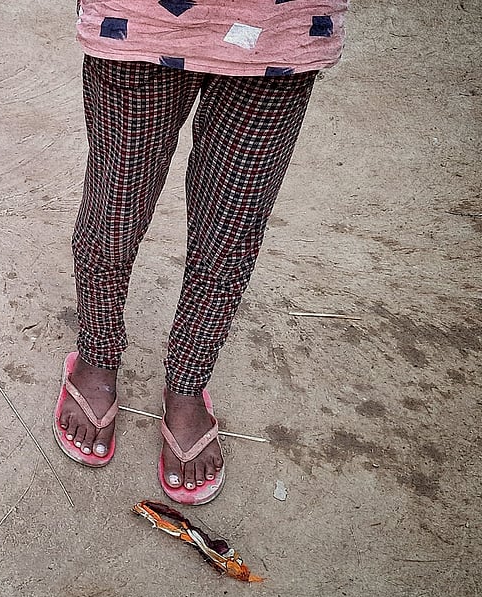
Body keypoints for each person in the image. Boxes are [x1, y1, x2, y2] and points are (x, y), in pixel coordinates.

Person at [53, 1, 348, 504]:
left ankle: (188, 383)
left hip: (278, 27)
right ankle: (97, 354)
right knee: (114, 211)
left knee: (230, 232)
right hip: (139, 19)